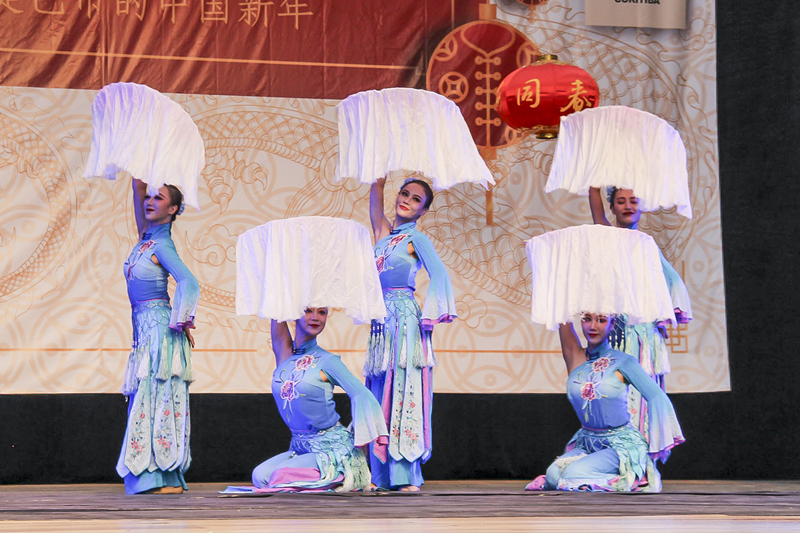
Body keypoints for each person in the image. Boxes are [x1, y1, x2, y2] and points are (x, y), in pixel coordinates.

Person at [365, 177, 457, 491]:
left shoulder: (416, 239)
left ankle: (405, 475)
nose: (407, 200)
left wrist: (431, 314)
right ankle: (380, 476)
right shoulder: (382, 235)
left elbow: (440, 273)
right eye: (404, 194)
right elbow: (376, 191)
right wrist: (378, 173)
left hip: (405, 320)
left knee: (404, 392)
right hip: (380, 323)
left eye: (416, 199)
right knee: (380, 391)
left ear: (424, 210)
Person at [527, 312, 684, 492]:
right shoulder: (574, 357)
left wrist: (657, 444)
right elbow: (563, 312)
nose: (593, 326)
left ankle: (631, 477)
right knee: (553, 475)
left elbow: (657, 397)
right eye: (587, 319)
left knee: (571, 475)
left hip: (620, 446)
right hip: (587, 443)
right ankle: (610, 480)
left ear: (612, 324)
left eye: (601, 320)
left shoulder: (623, 362)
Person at [116, 178, 199, 494]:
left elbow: (189, 283)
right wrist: (141, 167)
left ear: (173, 208)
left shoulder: (162, 245)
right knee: (146, 400)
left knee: (156, 402)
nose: (150, 201)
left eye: (159, 198)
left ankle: (159, 477)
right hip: (145, 332)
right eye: (149, 197)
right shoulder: (145, 239)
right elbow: (138, 191)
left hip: (160, 333)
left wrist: (182, 321)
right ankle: (156, 477)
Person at [588, 187, 692, 433]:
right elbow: (595, 207)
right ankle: (620, 454)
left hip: (645, 333)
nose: (627, 206)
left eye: (633, 201)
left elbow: (672, 281)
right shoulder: (610, 236)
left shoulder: (647, 245)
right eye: (621, 201)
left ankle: (643, 460)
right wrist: (593, 177)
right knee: (618, 392)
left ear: (641, 207)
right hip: (619, 330)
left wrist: (664, 314)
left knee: (645, 392)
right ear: (612, 207)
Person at [251, 307, 388, 492]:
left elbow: (361, 394)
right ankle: (332, 480)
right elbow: (278, 304)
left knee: (280, 476)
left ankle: (346, 472)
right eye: (308, 311)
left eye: (322, 312)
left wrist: (362, 441)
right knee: (260, 477)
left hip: (331, 450)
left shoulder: (328, 361)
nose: (315, 317)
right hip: (300, 447)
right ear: (294, 313)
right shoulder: (285, 355)